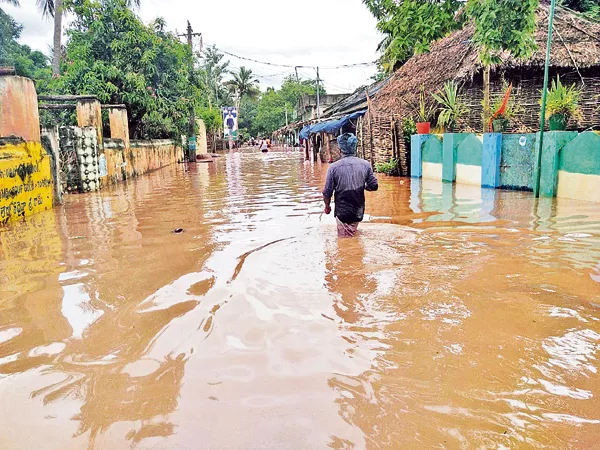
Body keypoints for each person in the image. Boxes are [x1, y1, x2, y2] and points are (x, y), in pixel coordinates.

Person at [322, 133, 378, 237]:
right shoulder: (365, 164)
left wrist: (327, 207)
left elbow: (327, 192)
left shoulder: (333, 168)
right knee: (352, 235)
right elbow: (374, 186)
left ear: (340, 150)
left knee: (345, 242)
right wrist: (363, 186)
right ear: (355, 149)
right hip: (358, 211)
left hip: (342, 212)